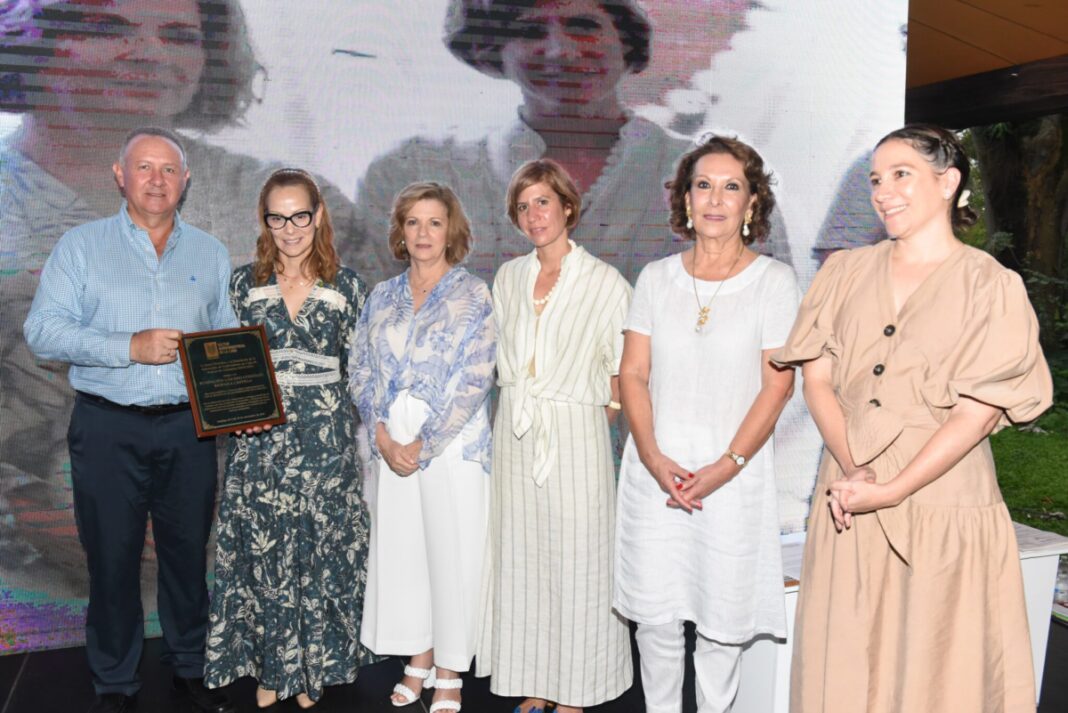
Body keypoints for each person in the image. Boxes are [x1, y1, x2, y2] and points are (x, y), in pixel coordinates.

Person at [0, 0, 362, 609]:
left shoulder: (271, 201)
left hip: (247, 570)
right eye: (106, 27)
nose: (150, 53)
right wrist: (31, 513)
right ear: (27, 35)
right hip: (29, 592)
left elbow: (351, 374)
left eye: (178, 35)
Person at [773, 125, 1053, 713]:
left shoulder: (991, 286)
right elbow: (817, 378)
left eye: (902, 174)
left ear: (948, 183)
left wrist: (893, 487)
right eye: (876, 179)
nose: (884, 191)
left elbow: (978, 413)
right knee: (848, 662)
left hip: (943, 498)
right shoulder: (843, 273)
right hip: (849, 495)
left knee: (937, 667)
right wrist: (856, 467)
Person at [347, 0, 791, 287]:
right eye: (530, 32)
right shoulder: (420, 174)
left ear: (625, 40)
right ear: (492, 50)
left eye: (583, 25)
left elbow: (765, 324)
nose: (561, 51)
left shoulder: (709, 176)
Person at [23, 127, 236, 713]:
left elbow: (225, 339)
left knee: (188, 555)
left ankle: (190, 667)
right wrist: (128, 347)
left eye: (168, 169)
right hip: (107, 427)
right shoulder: (81, 246)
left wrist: (239, 399)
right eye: (144, 167)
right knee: (112, 558)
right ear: (120, 175)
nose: (157, 180)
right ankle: (115, 682)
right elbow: (42, 331)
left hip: (188, 431)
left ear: (185, 180)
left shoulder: (210, 252)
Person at [614, 136, 799, 713]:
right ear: (686, 200)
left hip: (732, 479)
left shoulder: (774, 282)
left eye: (731, 187)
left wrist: (726, 466)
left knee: (722, 627)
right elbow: (632, 374)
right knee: (656, 621)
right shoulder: (655, 278)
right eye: (703, 185)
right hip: (656, 475)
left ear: (751, 203)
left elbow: (778, 385)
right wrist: (652, 458)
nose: (715, 199)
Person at [203, 169, 375, 709]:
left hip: (325, 444)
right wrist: (233, 412)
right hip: (259, 447)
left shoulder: (348, 287)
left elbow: (363, 372)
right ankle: (273, 669)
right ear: (265, 221)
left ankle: (311, 670)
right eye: (277, 218)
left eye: (299, 215)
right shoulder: (241, 285)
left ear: (318, 215)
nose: (290, 228)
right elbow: (223, 367)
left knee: (320, 551)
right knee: (266, 554)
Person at [476, 159, 633, 713]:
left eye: (543, 201)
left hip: (576, 434)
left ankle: (578, 691)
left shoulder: (605, 282)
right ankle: (537, 681)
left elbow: (623, 369)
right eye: (523, 207)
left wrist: (598, 422)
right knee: (523, 560)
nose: (533, 215)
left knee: (579, 562)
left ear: (568, 206)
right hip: (515, 434)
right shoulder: (508, 278)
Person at [350, 182, 496, 713]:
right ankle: (419, 655)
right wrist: (381, 433)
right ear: (400, 232)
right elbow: (359, 367)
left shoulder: (474, 294)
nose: (424, 233)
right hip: (390, 442)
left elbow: (476, 378)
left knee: (451, 555)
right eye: (413, 222)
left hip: (451, 445)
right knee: (406, 552)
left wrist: (425, 443)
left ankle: (450, 669)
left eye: (435, 222)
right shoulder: (381, 296)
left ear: (451, 230)